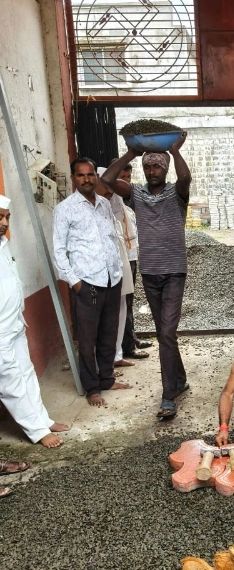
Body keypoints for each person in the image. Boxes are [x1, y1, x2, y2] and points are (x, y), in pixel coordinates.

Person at [101, 134, 191, 419]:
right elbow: (106, 181)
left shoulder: (177, 194)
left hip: (174, 271)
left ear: (166, 169)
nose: (152, 171)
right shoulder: (136, 194)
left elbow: (186, 177)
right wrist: (130, 154)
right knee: (166, 333)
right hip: (150, 273)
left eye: (157, 166)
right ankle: (180, 379)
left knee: (165, 332)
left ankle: (168, 396)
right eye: (148, 167)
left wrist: (175, 151)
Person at [53, 158, 131, 407]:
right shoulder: (65, 209)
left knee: (109, 333)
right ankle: (92, 388)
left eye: (90, 175)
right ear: (74, 178)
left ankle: (106, 378)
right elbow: (58, 250)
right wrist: (75, 282)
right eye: (81, 175)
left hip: (111, 279)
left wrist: (116, 270)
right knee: (88, 339)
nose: (86, 179)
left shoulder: (104, 205)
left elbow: (110, 240)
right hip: (87, 283)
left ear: (95, 177)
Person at [0, 195, 69, 468]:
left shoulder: (3, 244)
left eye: (7, 218)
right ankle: (37, 431)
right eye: (0, 218)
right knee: (11, 380)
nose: (4, 223)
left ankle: (42, 419)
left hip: (14, 323)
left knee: (26, 372)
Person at [108, 158, 152, 358]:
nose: (126, 180)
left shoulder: (128, 198)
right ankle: (127, 346)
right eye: (121, 177)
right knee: (122, 303)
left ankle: (130, 339)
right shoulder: (109, 198)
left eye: (128, 176)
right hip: (120, 256)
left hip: (131, 254)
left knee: (129, 302)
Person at [94, 178, 136, 369]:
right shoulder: (91, 209)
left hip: (120, 266)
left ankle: (116, 355)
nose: (110, 193)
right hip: (102, 273)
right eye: (106, 189)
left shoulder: (113, 208)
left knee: (121, 309)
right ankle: (105, 362)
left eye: (111, 190)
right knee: (105, 317)